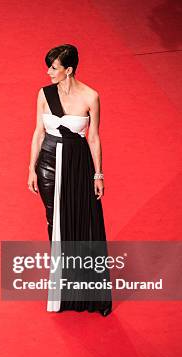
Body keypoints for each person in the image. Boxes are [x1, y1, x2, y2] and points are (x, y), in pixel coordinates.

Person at [27, 44, 112, 316]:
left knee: (80, 220)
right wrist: (31, 169)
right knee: (55, 222)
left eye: (53, 67)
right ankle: (59, 289)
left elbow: (94, 137)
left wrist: (98, 174)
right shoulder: (44, 93)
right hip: (48, 165)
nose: (48, 72)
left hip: (78, 166)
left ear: (69, 70)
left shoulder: (90, 96)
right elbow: (38, 133)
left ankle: (83, 291)